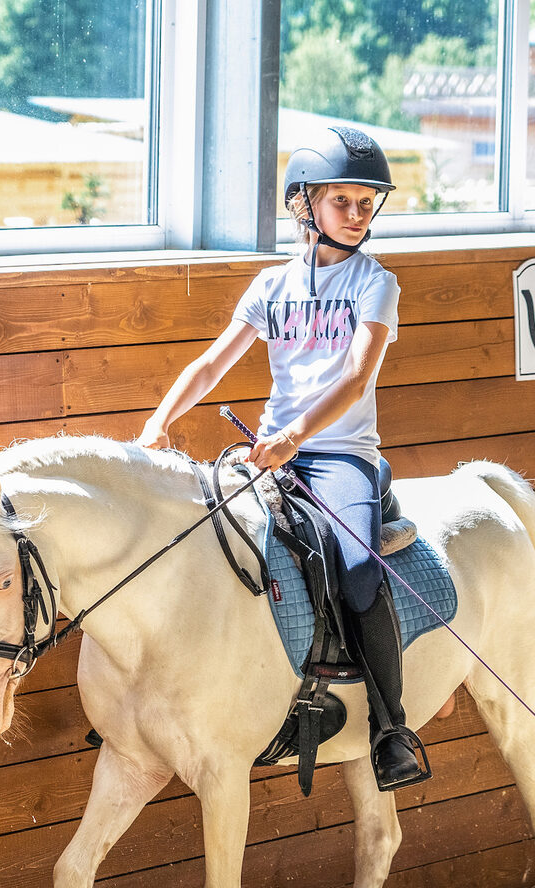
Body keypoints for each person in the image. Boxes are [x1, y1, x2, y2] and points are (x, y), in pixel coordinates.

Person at [134, 126, 431, 792]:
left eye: (365, 203)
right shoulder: (271, 286)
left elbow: (356, 379)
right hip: (269, 455)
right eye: (342, 202)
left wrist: (294, 436)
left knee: (357, 571)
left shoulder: (375, 284)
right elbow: (212, 363)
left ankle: (390, 728)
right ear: (306, 206)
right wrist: (159, 421)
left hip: (337, 457)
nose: (356, 215)